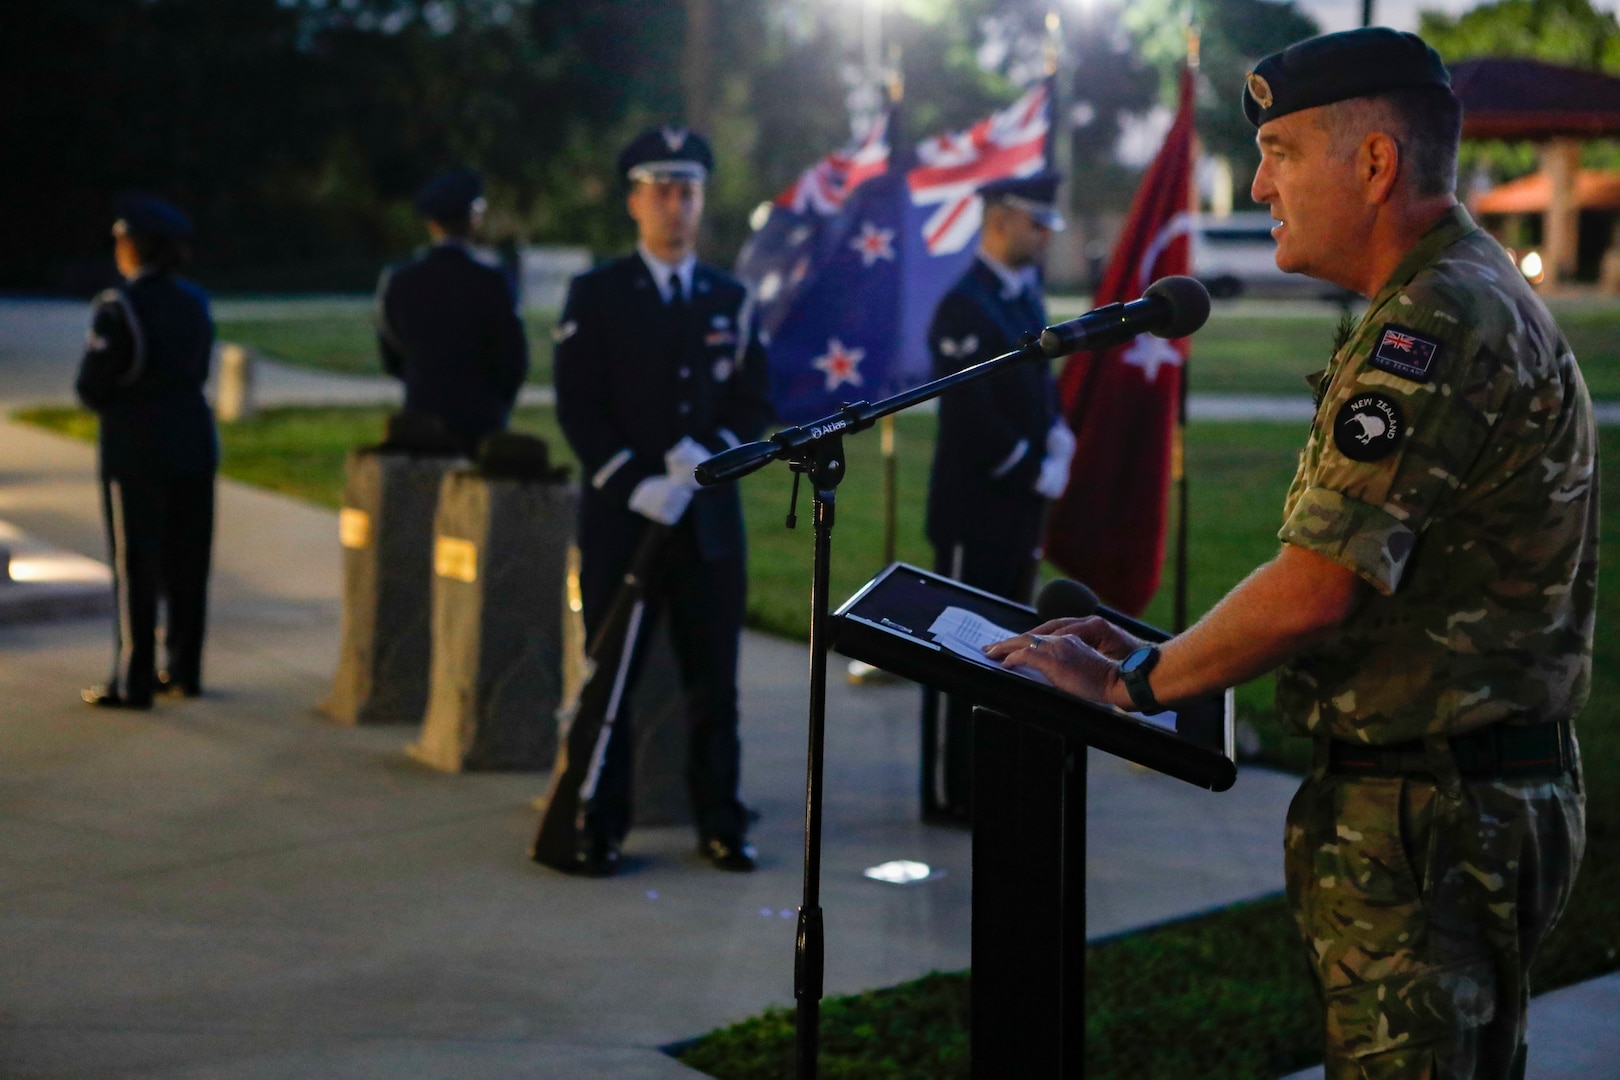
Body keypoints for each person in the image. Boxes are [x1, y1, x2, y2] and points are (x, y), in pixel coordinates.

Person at [987, 29, 1592, 1079]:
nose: (1260, 183)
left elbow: (1318, 586)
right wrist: (1163, 646)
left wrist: (1131, 682)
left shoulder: (1435, 321)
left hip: (1428, 817)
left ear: (1373, 163)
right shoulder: (1454, 291)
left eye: (1282, 151)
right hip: (1460, 795)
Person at [552, 127, 773, 876]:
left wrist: (712, 455)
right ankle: (598, 820)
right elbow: (579, 407)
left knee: (714, 681)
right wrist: (633, 479)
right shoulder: (598, 294)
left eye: (690, 193)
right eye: (664, 192)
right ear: (634, 201)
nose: (678, 207)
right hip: (625, 521)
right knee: (611, 675)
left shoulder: (730, 297)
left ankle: (720, 819)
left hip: (709, 527)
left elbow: (754, 400)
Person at [920, 171, 1074, 824]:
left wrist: (1058, 434)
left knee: (1010, 645)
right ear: (1001, 218)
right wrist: (1029, 464)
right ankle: (952, 788)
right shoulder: (964, 304)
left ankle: (990, 773)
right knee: (962, 649)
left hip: (1016, 506)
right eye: (1035, 222)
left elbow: (1037, 386)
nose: (1043, 236)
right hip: (975, 507)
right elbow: (969, 412)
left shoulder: (1018, 294)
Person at [77, 194, 219, 708]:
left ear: (133, 247)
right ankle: (185, 669)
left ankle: (133, 679)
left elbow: (92, 385)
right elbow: (199, 368)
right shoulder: (195, 301)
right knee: (188, 561)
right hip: (193, 442)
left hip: (136, 448)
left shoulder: (118, 307)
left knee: (136, 561)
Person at [376, 168, 529, 455]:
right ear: (473, 220)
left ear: (432, 224)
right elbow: (513, 360)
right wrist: (494, 405)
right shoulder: (492, 281)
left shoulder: (400, 281)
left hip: (420, 422)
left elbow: (392, 354)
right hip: (479, 423)